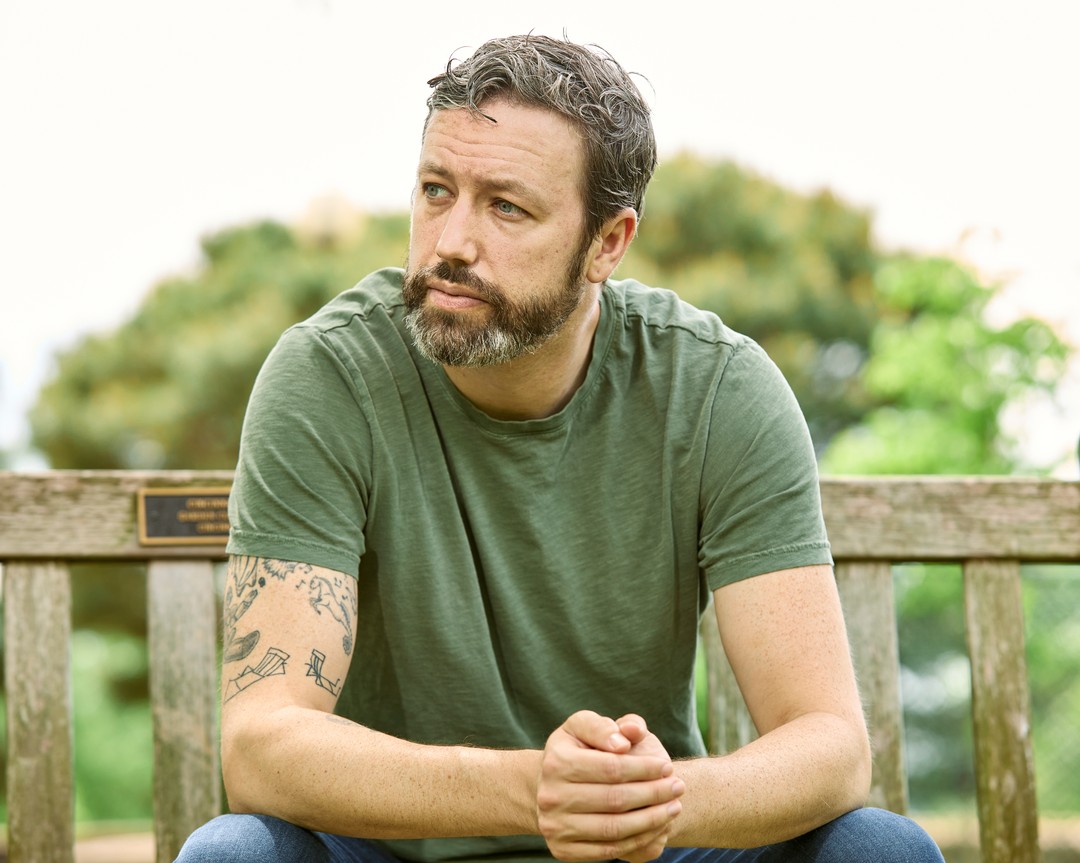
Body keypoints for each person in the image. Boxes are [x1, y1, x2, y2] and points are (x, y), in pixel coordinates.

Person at [176, 34, 943, 863]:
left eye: (506, 207)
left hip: (647, 844)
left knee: (880, 849)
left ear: (608, 242)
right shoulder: (329, 375)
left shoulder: (715, 388)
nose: (450, 242)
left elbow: (830, 745)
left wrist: (639, 804)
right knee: (234, 855)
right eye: (436, 191)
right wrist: (533, 788)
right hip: (392, 852)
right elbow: (261, 743)